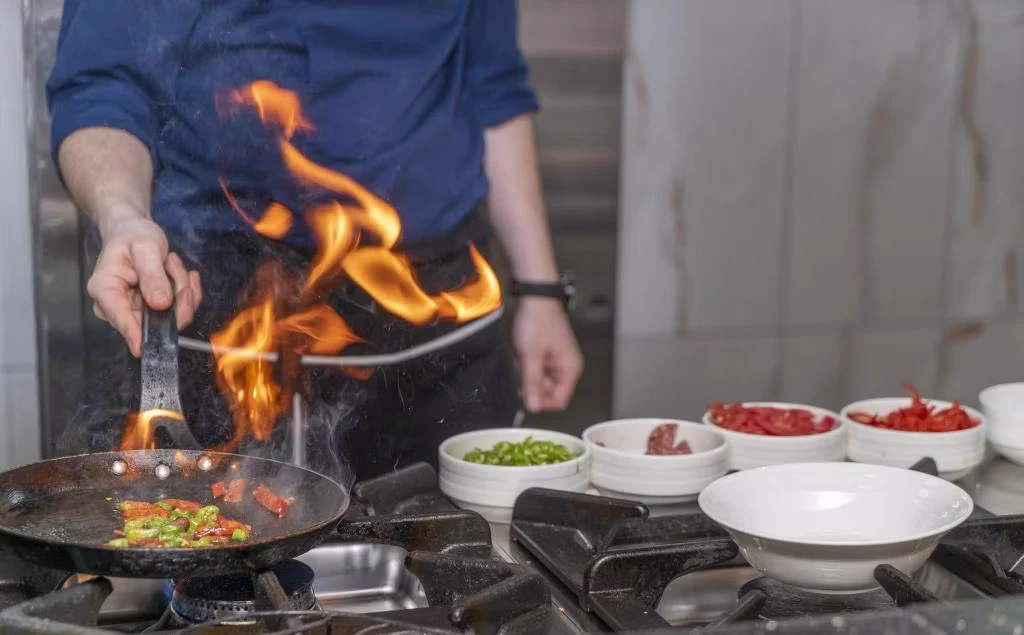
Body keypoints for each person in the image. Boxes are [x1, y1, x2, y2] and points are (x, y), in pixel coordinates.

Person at [47, 0, 582, 481]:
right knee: (207, 546)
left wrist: (541, 291)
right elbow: (104, 89)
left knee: (468, 551)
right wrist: (123, 217)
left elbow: (493, 88)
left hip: (439, 311)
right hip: (228, 303)